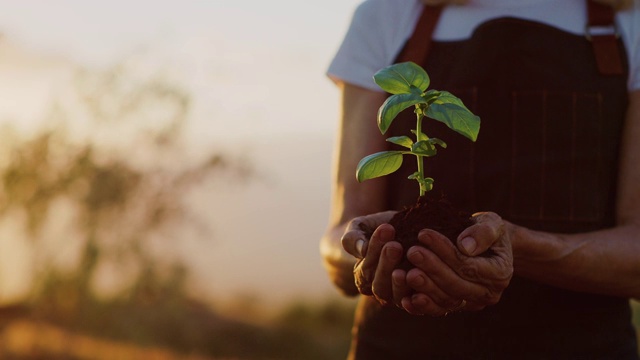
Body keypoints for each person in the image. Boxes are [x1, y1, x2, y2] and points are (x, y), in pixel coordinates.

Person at [320, 0, 640, 358]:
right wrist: (374, 253)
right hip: (401, 347)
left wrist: (516, 247)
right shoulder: (388, 12)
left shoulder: (630, 16)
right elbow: (339, 241)